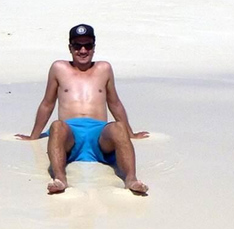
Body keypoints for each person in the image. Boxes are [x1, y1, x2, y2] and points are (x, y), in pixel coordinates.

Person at [16, 24, 149, 195]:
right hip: (70, 133)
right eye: (77, 46)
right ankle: (60, 179)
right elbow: (47, 103)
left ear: (94, 47)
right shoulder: (59, 68)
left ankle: (131, 179)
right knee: (56, 125)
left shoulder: (104, 68)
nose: (83, 50)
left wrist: (130, 133)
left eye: (88, 45)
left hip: (99, 133)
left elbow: (114, 103)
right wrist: (33, 136)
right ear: (70, 48)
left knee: (118, 127)